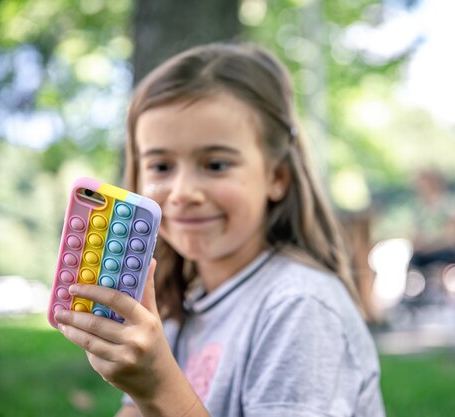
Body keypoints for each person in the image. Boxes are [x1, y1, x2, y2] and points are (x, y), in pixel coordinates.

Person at [53, 43, 386, 417]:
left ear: (276, 177)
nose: (182, 193)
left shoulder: (299, 306)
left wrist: (157, 386)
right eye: (161, 167)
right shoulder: (182, 304)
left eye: (215, 165)